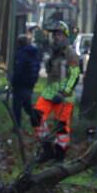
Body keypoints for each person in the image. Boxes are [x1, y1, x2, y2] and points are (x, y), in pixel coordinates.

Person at [32, 21, 81, 163]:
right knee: (36, 117)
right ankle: (47, 150)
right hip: (49, 91)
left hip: (64, 95)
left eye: (59, 34)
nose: (56, 37)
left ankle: (59, 157)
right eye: (54, 35)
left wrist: (64, 92)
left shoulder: (70, 53)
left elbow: (75, 75)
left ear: (65, 35)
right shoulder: (52, 52)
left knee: (61, 126)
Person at [11, 33, 41, 129]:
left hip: (21, 84)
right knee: (27, 104)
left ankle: (17, 126)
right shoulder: (34, 53)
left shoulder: (21, 54)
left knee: (17, 107)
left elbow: (18, 70)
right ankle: (37, 120)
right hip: (31, 83)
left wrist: (13, 81)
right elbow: (37, 67)